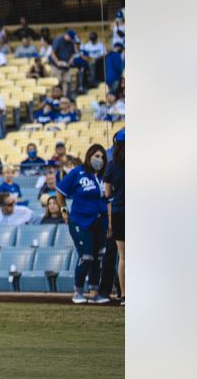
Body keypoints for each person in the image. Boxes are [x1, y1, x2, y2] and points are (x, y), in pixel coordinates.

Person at [58, 143, 111, 304]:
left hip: (100, 221)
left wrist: (109, 222)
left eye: (102, 157)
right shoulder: (77, 173)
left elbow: (108, 199)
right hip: (80, 221)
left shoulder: (104, 176)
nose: (99, 160)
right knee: (86, 256)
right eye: (96, 156)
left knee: (98, 257)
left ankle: (94, 293)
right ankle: (78, 292)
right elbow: (60, 192)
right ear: (89, 157)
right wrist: (64, 210)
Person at [101, 130, 125, 303]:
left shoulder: (111, 165)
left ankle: (124, 294)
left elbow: (107, 193)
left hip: (118, 211)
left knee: (123, 257)